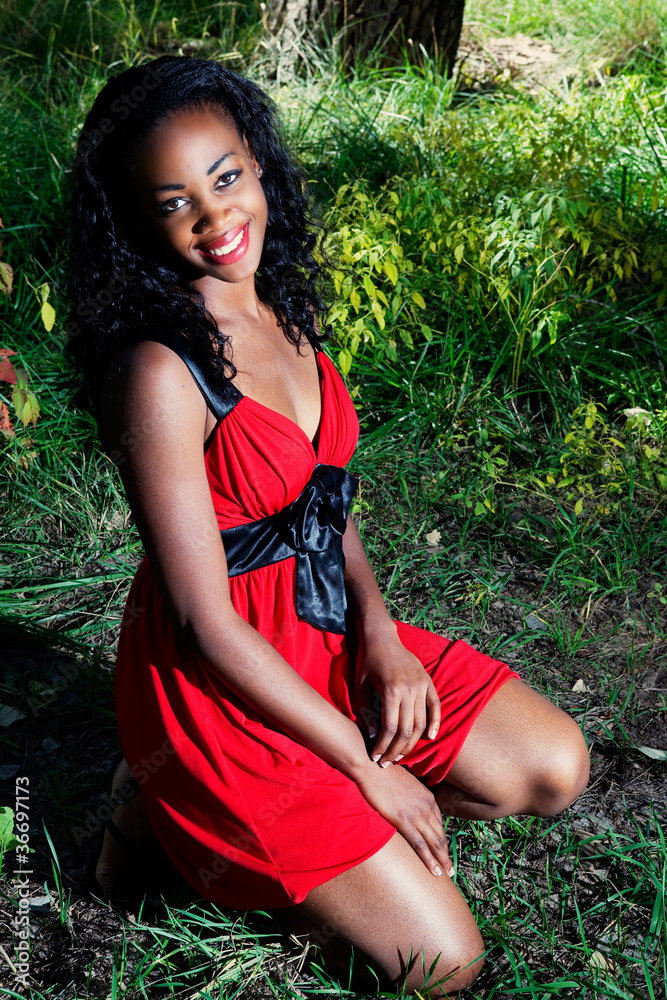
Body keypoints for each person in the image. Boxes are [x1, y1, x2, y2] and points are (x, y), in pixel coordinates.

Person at [65, 56, 589, 996]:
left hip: (320, 637)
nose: (217, 219)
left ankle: (233, 824)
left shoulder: (288, 315)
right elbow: (204, 626)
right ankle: (159, 807)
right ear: (138, 222)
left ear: (259, 167)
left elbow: (321, 502)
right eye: (173, 201)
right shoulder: (157, 372)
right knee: (444, 966)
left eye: (226, 178)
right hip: (217, 685)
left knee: (551, 768)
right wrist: (363, 768)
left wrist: (381, 638)